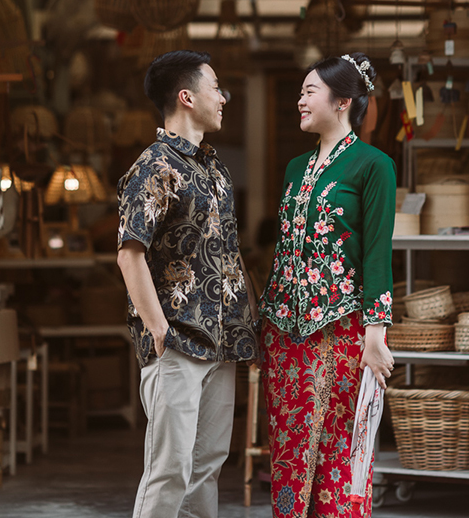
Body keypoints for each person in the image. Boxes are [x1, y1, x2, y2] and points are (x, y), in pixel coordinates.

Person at [116, 50, 259, 518]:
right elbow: (129, 252)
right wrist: (159, 330)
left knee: (207, 468)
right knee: (170, 468)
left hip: (223, 344)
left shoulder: (215, 170)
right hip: (177, 340)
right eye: (215, 87)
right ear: (186, 96)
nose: (223, 97)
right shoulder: (155, 165)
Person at [259, 52, 396, 517]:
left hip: (340, 333)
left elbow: (378, 251)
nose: (299, 100)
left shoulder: (373, 165)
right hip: (284, 337)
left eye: (308, 91)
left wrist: (375, 336)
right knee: (289, 454)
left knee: (339, 454)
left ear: (342, 102)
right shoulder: (295, 168)